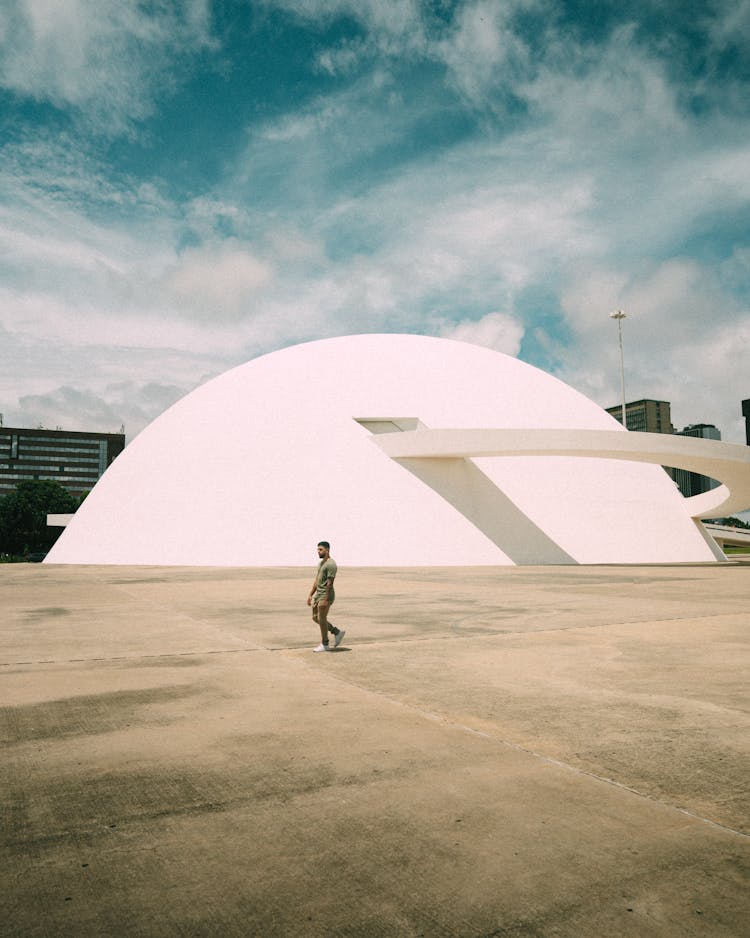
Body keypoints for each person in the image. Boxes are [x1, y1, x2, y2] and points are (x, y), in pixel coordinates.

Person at [307, 541, 346, 652]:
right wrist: (310, 594)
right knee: (315, 618)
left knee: (322, 618)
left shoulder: (331, 564)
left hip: (325, 594)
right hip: (318, 594)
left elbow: (330, 583)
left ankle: (325, 644)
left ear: (327, 550)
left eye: (321, 550)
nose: (318, 552)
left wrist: (325, 599)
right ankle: (337, 632)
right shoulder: (321, 563)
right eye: (317, 549)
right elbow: (317, 580)